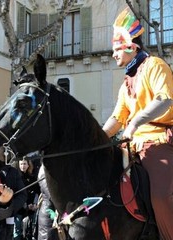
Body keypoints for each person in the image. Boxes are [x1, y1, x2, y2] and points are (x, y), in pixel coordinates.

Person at [102, 8, 173, 240]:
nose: (113, 54)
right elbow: (117, 118)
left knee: (162, 196)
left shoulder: (155, 65)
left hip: (158, 142)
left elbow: (165, 100)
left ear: (132, 46)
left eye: (116, 49)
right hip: (131, 147)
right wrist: (98, 138)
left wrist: (135, 124)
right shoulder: (125, 84)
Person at [13, 157, 41, 240]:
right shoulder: (16, 178)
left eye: (24, 164)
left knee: (32, 230)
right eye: (21, 164)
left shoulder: (32, 178)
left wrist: (35, 204)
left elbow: (37, 192)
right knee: (17, 231)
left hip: (31, 208)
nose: (23, 166)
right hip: (19, 208)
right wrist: (24, 205)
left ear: (28, 165)